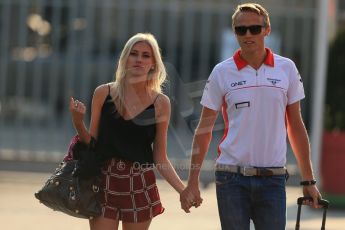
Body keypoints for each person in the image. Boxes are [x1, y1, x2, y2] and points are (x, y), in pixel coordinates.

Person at [180, 3, 322, 230]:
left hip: (273, 179)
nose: (247, 35)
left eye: (254, 29)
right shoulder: (221, 72)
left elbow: (296, 125)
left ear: (267, 30)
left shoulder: (286, 69)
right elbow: (204, 129)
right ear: (234, 32)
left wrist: (308, 180)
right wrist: (192, 182)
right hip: (230, 179)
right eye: (240, 29)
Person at [70, 33, 185, 230]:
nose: (139, 59)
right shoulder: (102, 93)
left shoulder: (161, 103)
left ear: (154, 64)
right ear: (125, 59)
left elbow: (160, 157)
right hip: (104, 180)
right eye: (134, 54)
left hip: (139, 183)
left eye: (146, 55)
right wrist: (78, 123)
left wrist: (183, 190)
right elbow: (92, 144)